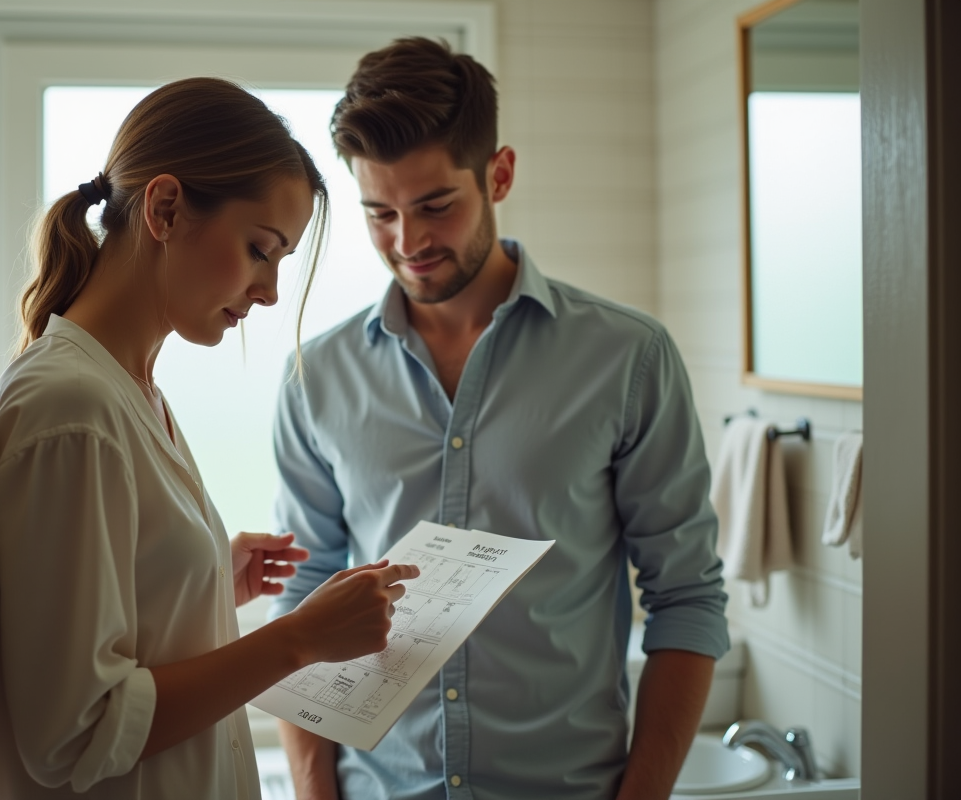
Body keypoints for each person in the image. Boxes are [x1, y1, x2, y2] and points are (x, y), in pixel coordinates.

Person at [269, 39, 730, 800]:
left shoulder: (629, 358)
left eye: (435, 206)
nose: (408, 243)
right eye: (379, 214)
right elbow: (304, 596)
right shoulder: (315, 376)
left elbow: (686, 598)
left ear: (500, 174)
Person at [0, 77, 419, 800]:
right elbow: (75, 733)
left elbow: (121, 628)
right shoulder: (73, 411)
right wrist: (297, 639)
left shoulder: (132, 392)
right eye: (259, 249)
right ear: (164, 208)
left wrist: (206, 579)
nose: (270, 292)